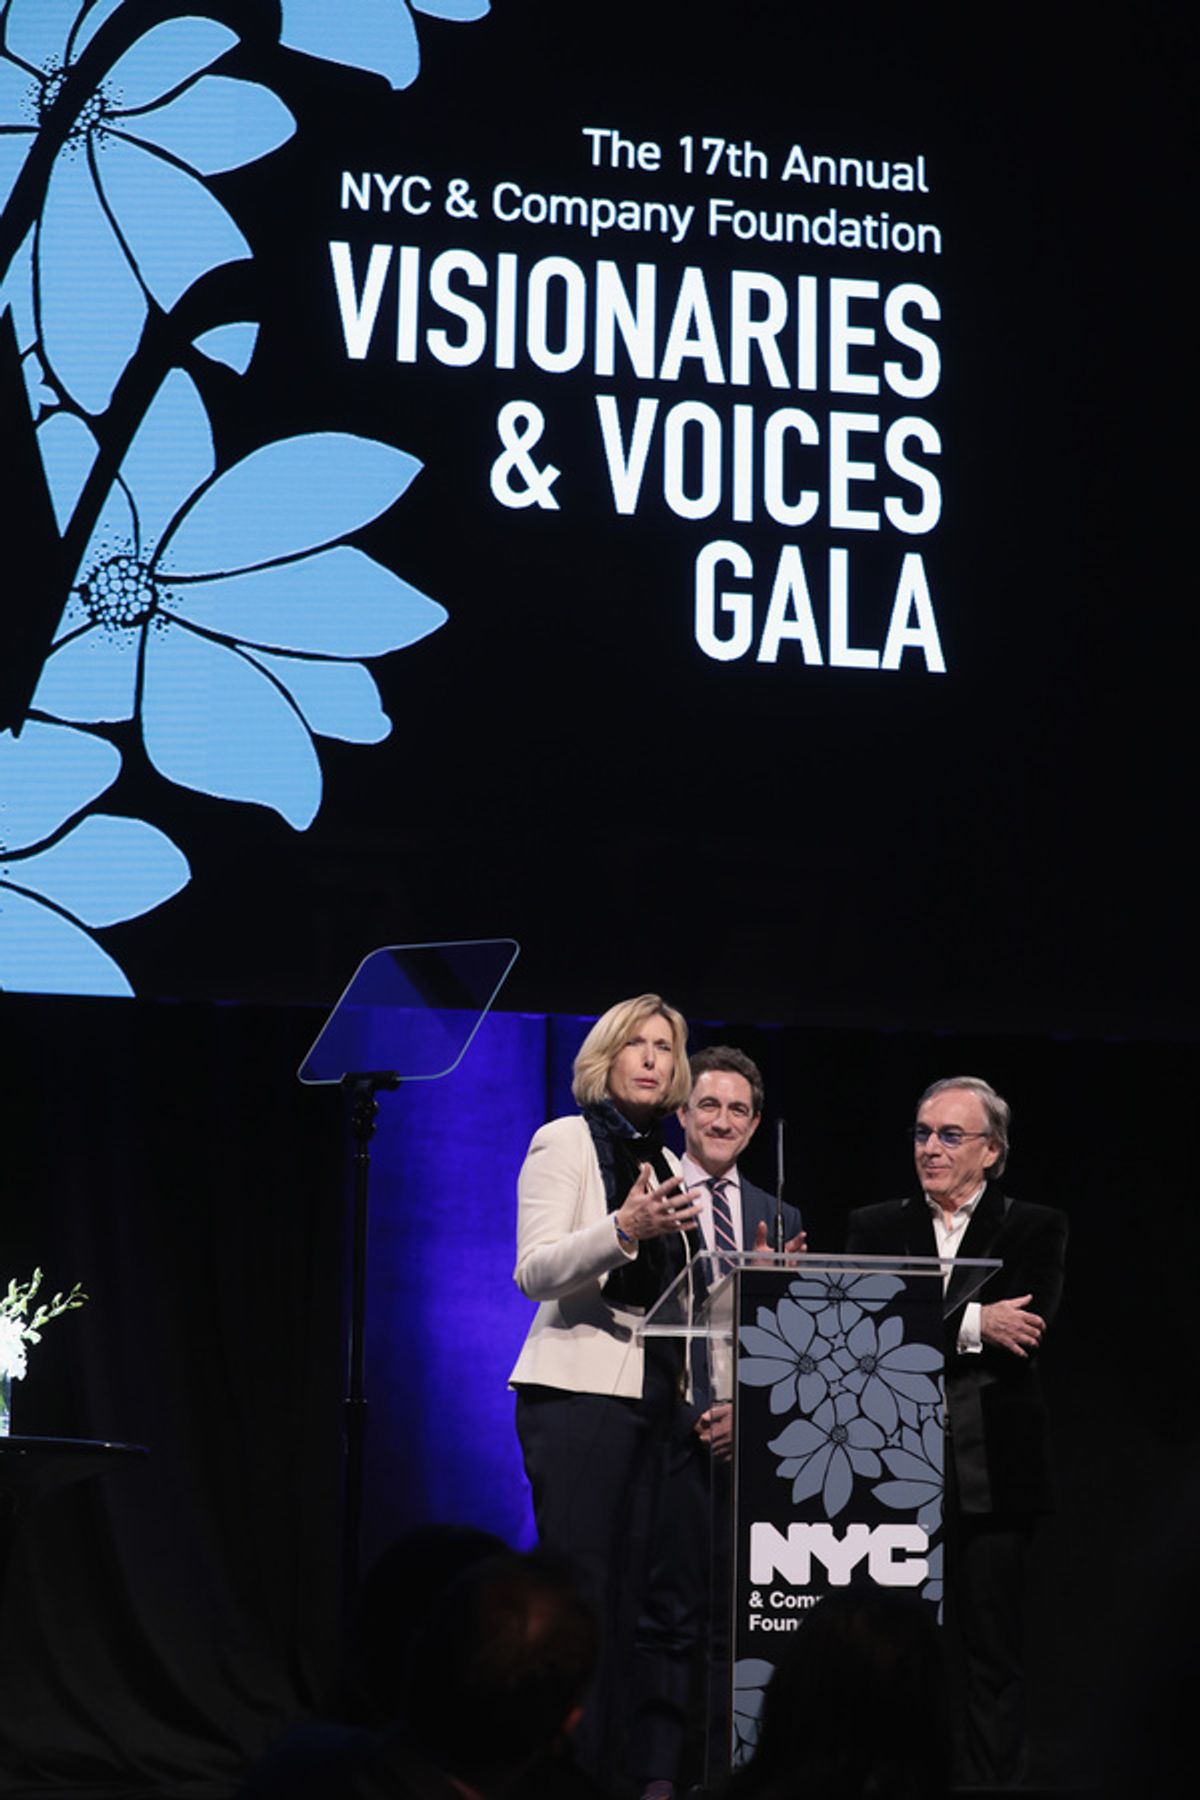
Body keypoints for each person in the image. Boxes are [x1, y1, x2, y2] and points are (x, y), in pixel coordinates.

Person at [845, 1076, 1068, 1788]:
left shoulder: (1034, 1226)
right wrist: (974, 1322)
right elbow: (862, 1333)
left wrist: (936, 1325)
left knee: (990, 1652)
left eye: (950, 1135)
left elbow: (1027, 1331)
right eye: (921, 1133)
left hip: (992, 1470)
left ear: (992, 1152)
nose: (931, 1148)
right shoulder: (874, 1227)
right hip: (889, 1469)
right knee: (891, 1647)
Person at [508, 994, 702, 1788]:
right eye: (637, 1045)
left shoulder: (668, 1161)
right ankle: (558, 1772)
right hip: (580, 1395)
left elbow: (681, 1299)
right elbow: (535, 1271)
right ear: (607, 1058)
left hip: (653, 1399)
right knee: (582, 1601)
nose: (653, 1058)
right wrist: (621, 1229)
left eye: (665, 1045)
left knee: (630, 1607)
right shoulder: (565, 1140)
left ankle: (613, 1774)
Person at [631, 1047, 804, 1800]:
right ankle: (660, 1774)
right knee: (669, 1613)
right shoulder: (656, 1193)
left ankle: (730, 1772)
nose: (723, 1120)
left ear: (756, 1123)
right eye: (709, 1105)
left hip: (751, 1440)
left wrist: (754, 1411)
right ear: (683, 1114)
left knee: (736, 1621)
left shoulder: (780, 1214)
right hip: (664, 1430)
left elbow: (793, 1341)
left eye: (738, 1109)